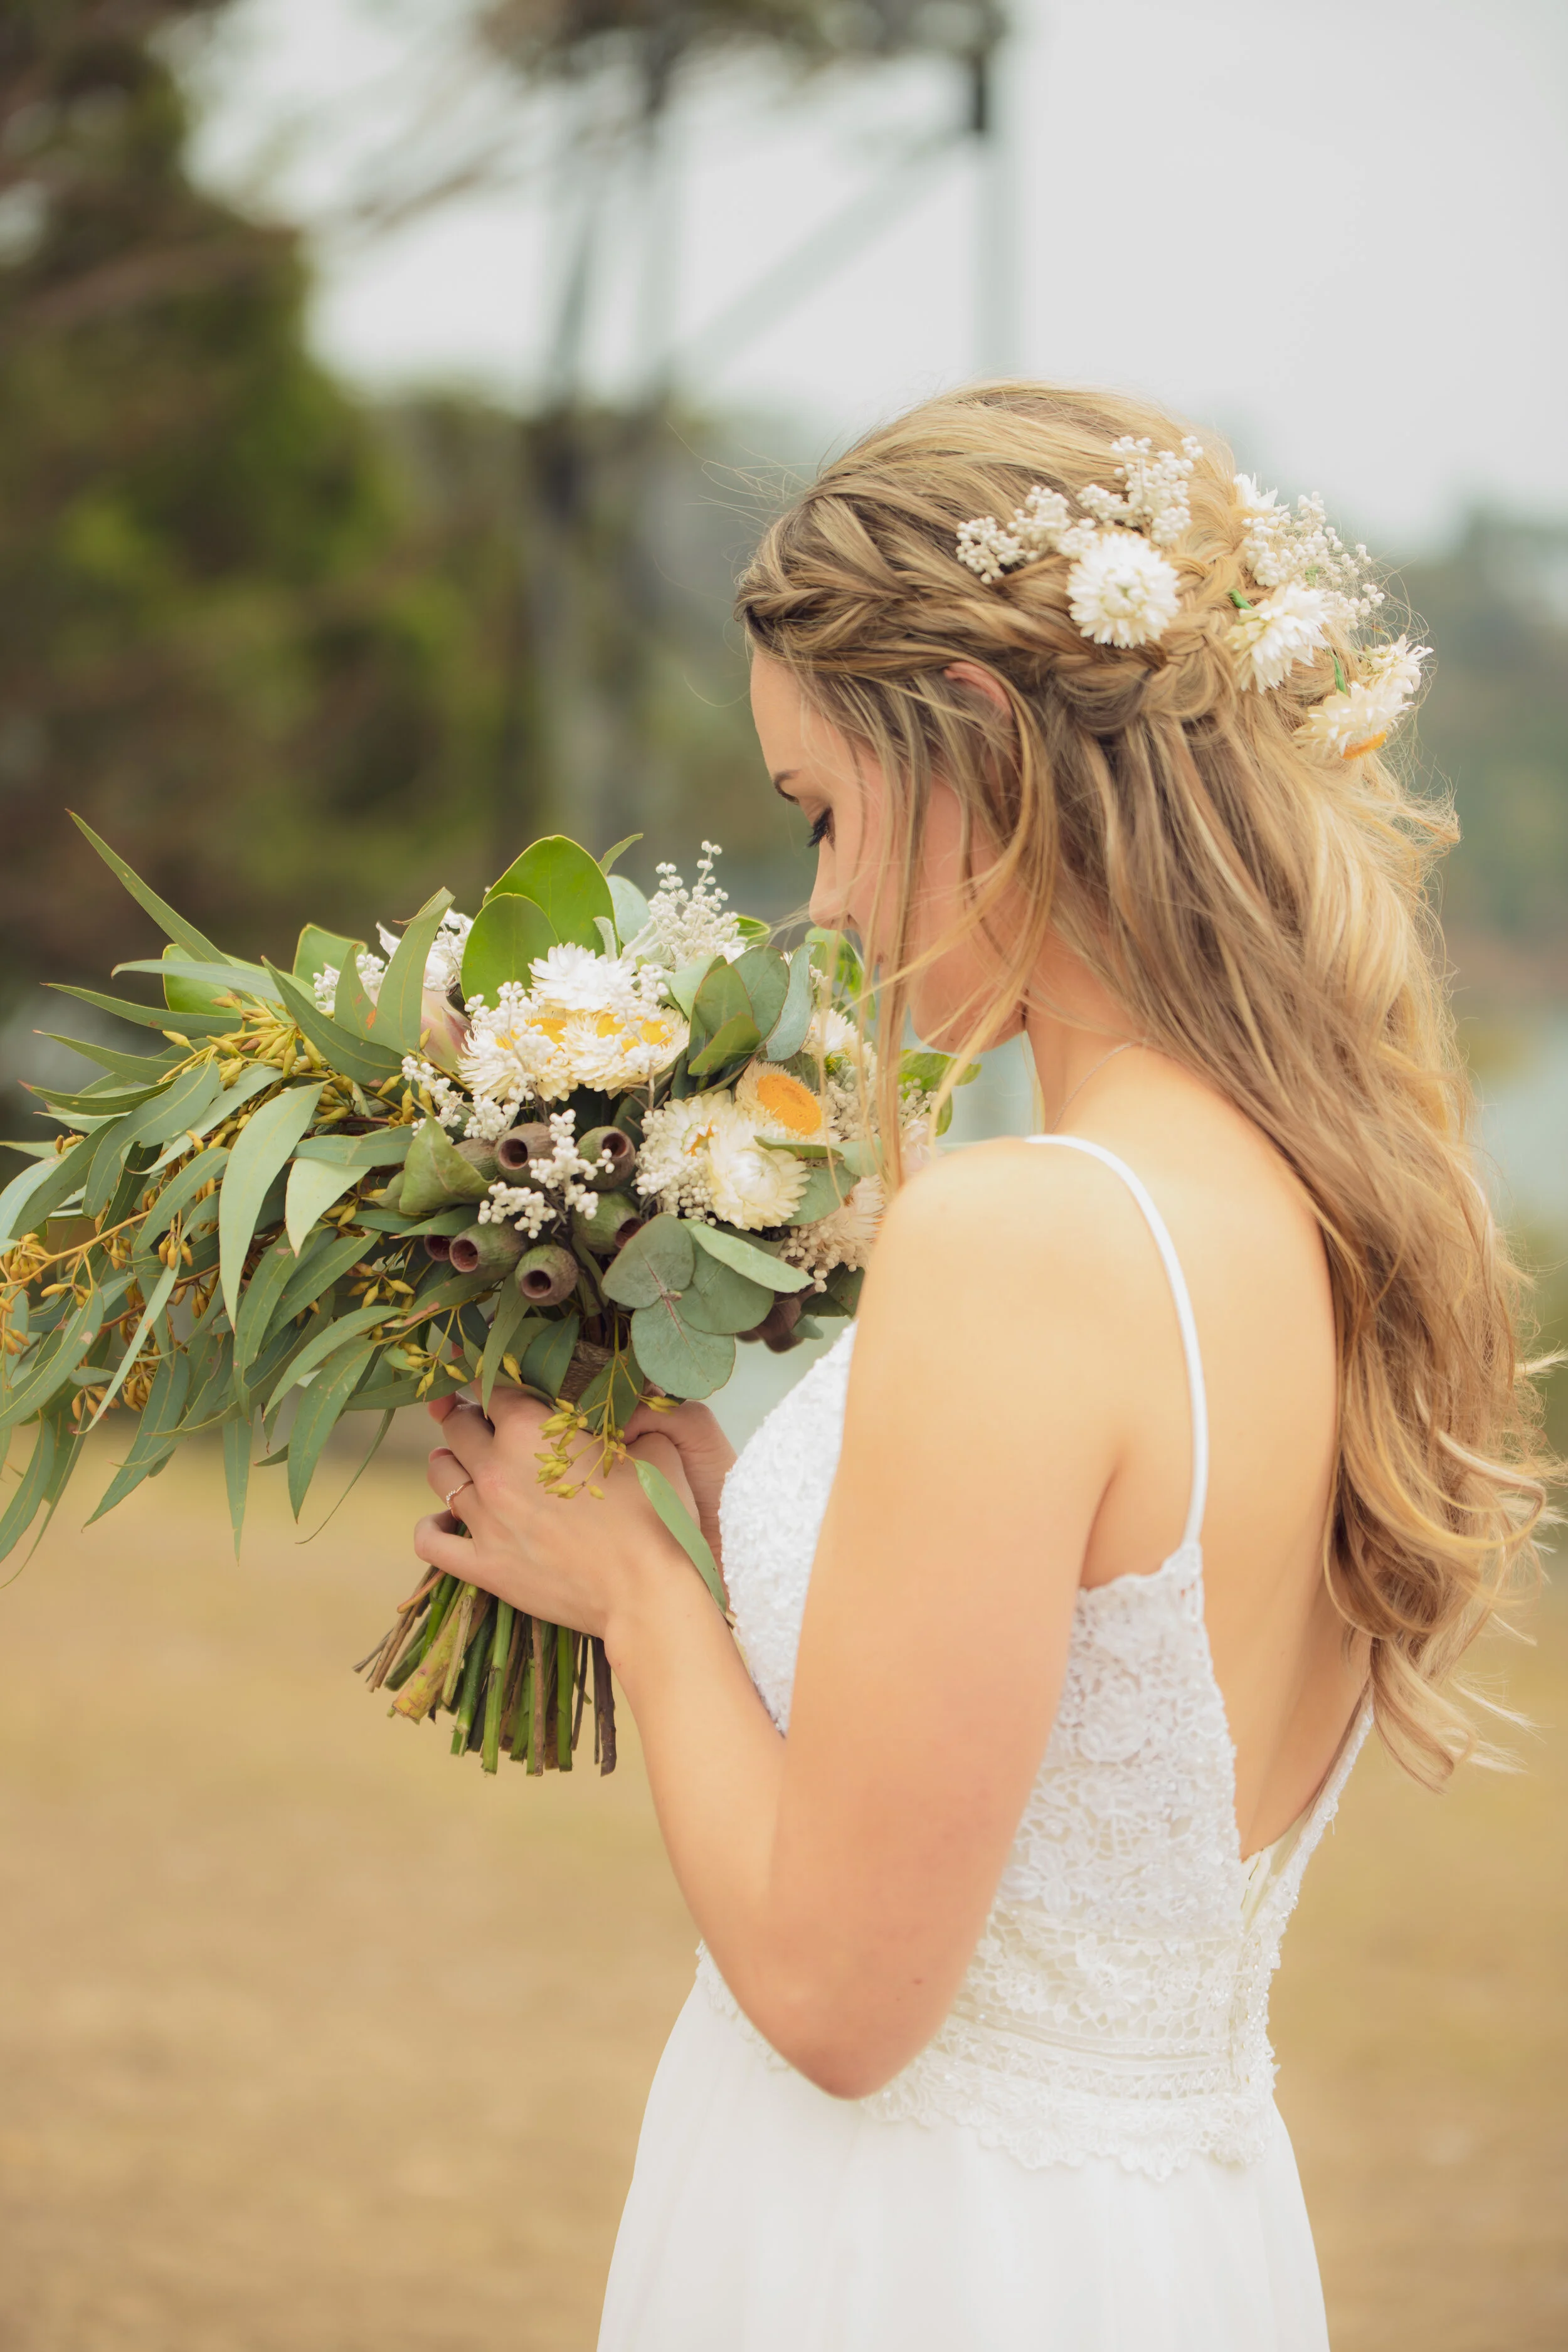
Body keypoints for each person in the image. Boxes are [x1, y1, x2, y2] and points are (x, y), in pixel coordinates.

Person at [412, 384, 1549, 2351]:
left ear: (982, 737)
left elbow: (839, 1993)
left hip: (915, 2250)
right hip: (1165, 2237)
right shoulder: (1319, 1210)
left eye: (821, 810)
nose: (824, 905)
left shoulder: (1023, 1237)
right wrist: (723, 1513)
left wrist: (635, 1598)